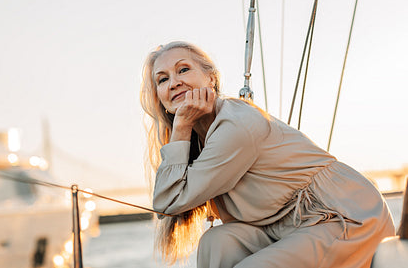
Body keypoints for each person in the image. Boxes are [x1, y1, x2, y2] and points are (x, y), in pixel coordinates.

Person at [139, 41, 395, 268]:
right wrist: (184, 130)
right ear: (159, 97)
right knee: (215, 243)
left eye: (183, 70)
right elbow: (167, 206)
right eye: (163, 79)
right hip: (287, 226)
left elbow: (167, 202)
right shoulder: (201, 138)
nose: (174, 82)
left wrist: (181, 126)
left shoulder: (235, 126)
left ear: (210, 79)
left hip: (344, 218)